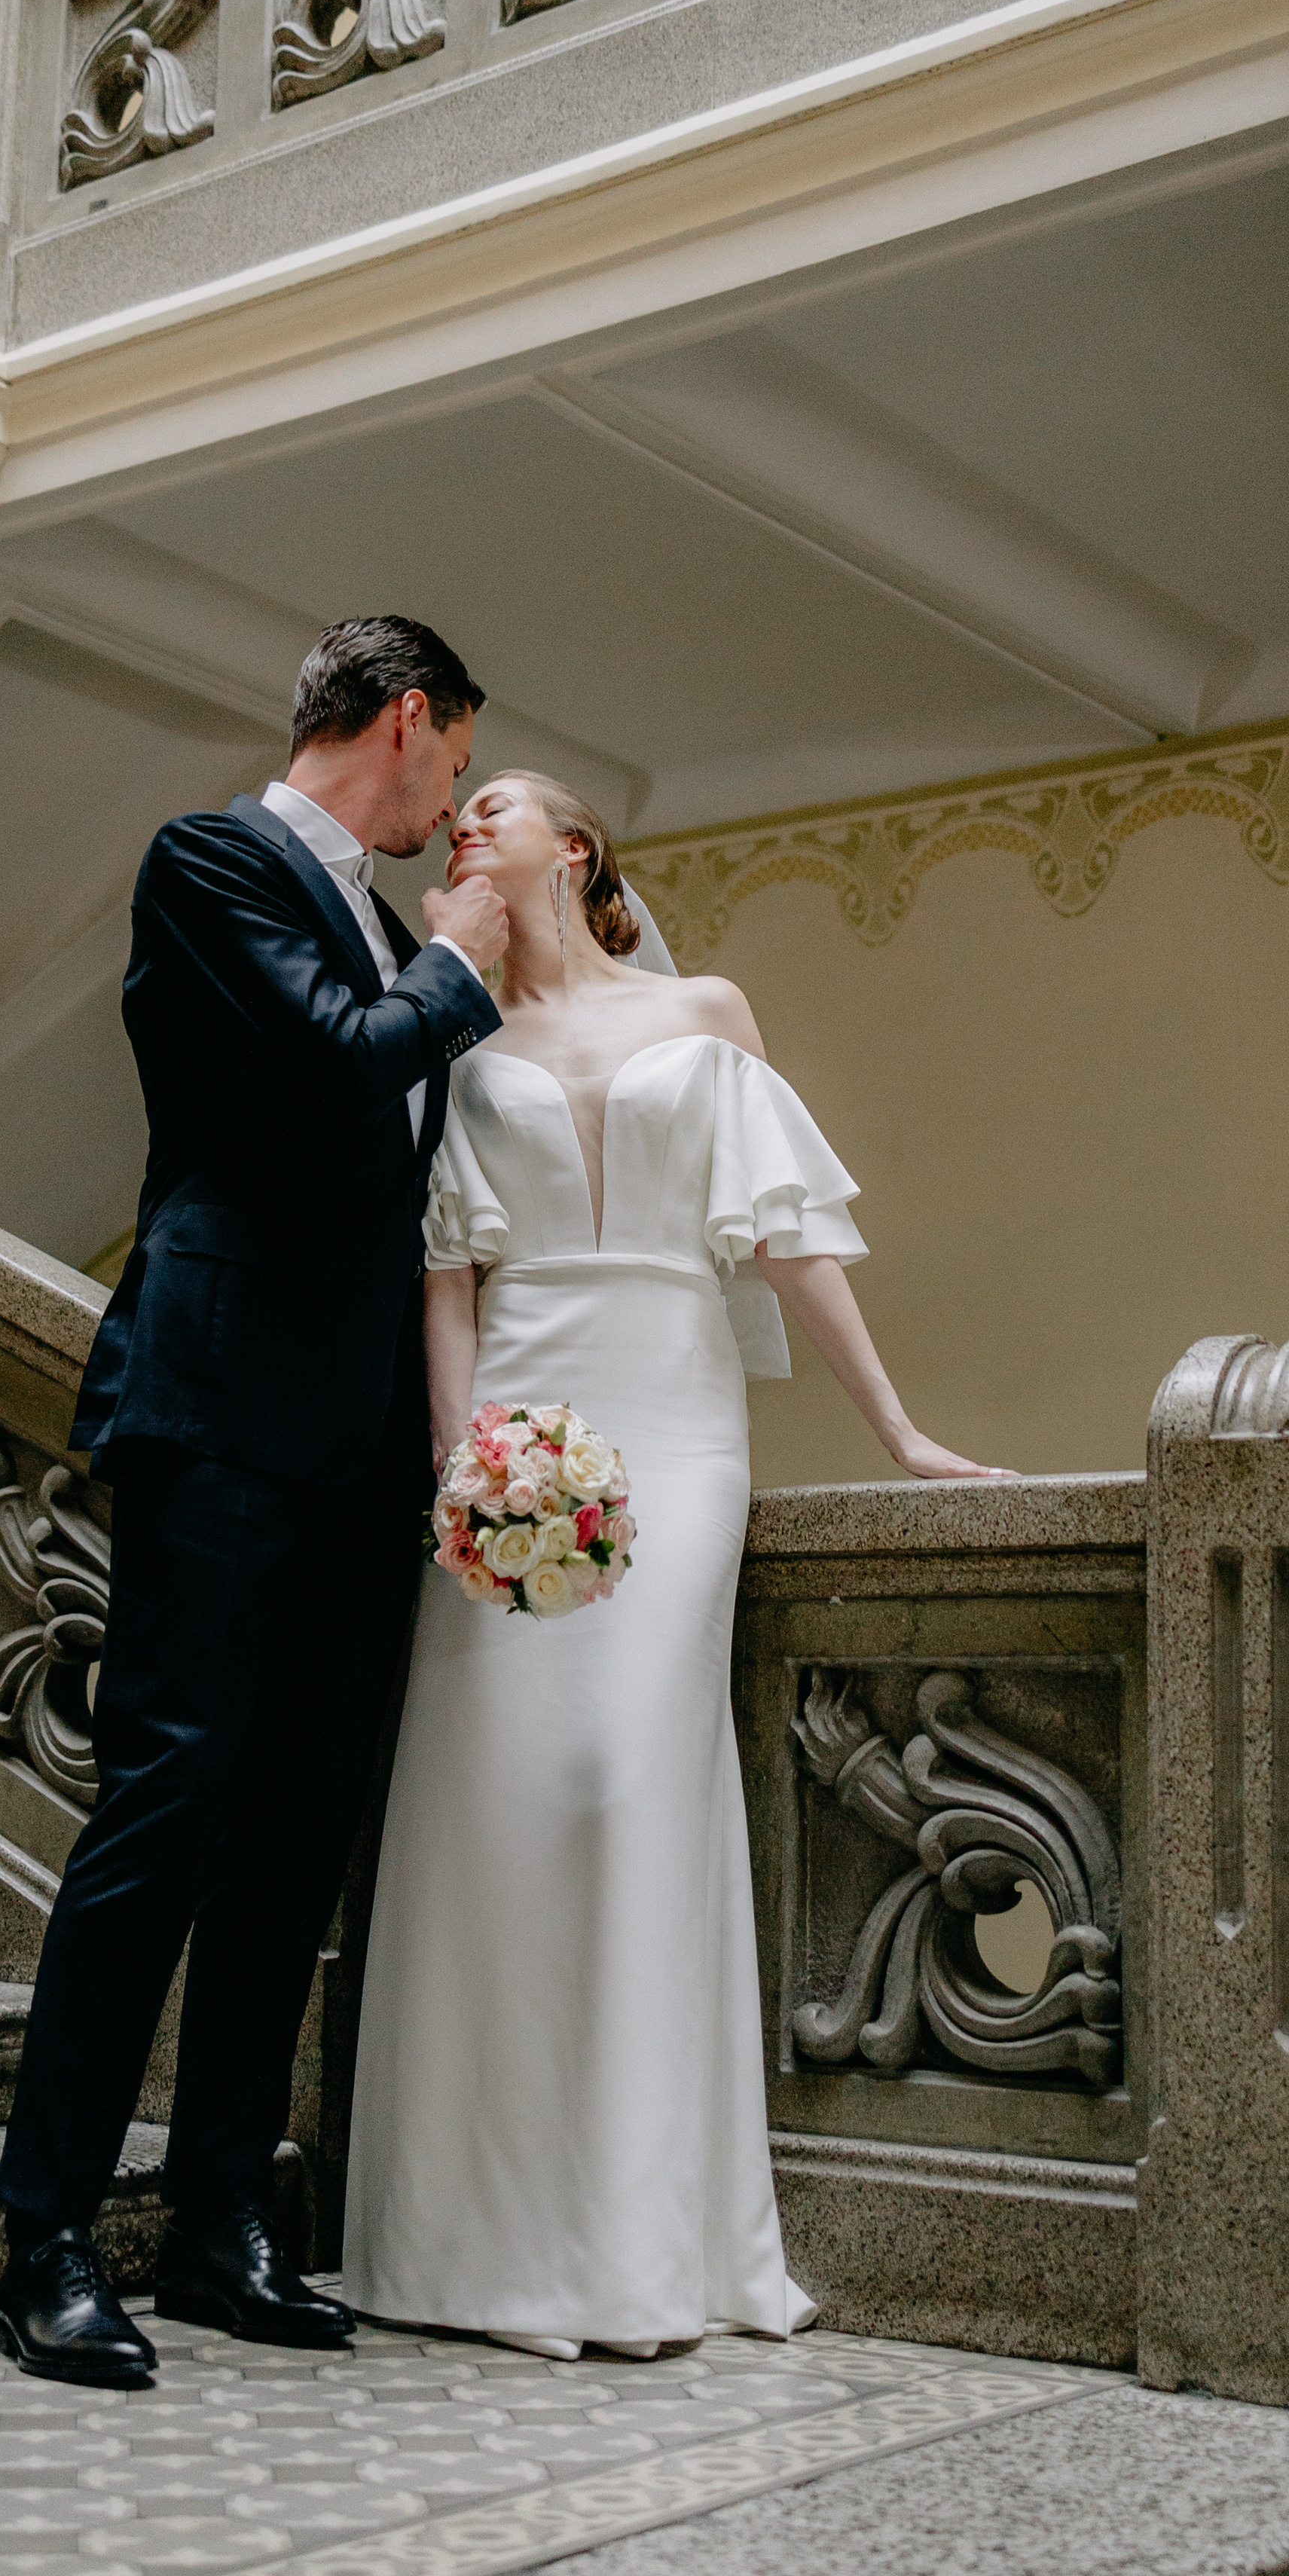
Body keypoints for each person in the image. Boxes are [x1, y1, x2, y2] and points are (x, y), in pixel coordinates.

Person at [343, 771, 1004, 2357]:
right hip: (515, 1418)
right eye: (454, 816)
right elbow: (445, 1270)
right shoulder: (448, 1028)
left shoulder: (701, 1007)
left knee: (633, 1783)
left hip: (677, 1415)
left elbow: (785, 1238)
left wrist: (899, 1428)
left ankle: (644, 2245)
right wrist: (460, 1462)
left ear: (572, 847)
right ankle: (469, 2245)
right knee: (494, 1798)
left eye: (490, 803)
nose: (462, 821)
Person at [0, 618, 510, 2385]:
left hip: (362, 1438)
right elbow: (320, 1062)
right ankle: (46, 2235)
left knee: (294, 1842)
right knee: (167, 1810)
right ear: (412, 722)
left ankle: (219, 2224)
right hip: (214, 1407)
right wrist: (455, 965)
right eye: (447, 758)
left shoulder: (376, 915)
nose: (445, 798)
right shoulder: (212, 861)